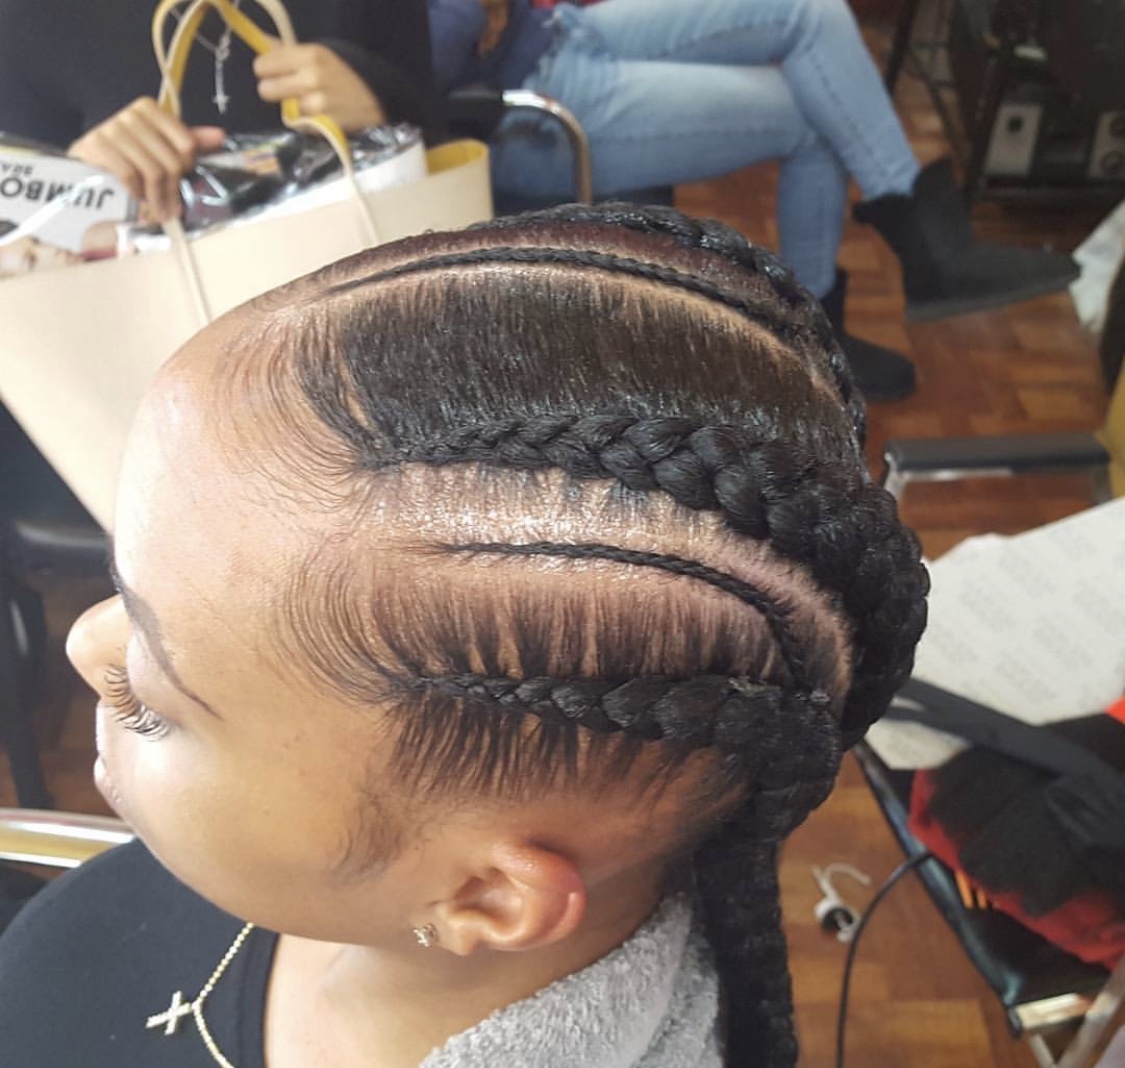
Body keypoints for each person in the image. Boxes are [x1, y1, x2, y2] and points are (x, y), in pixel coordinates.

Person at [0, 202, 929, 1067]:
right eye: (124, 589)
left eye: (155, 703)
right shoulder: (330, 855)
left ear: (483, 897)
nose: (84, 644)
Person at [428, 0, 1080, 402]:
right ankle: (814, 341)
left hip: (554, 31)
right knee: (814, 117)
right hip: (528, 111)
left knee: (812, 13)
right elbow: (418, 53)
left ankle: (925, 239)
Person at [0, 0, 439, 222]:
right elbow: (16, 235)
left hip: (354, 309)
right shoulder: (29, 16)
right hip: (150, 331)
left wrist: (383, 100)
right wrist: (81, 179)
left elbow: (446, 156)